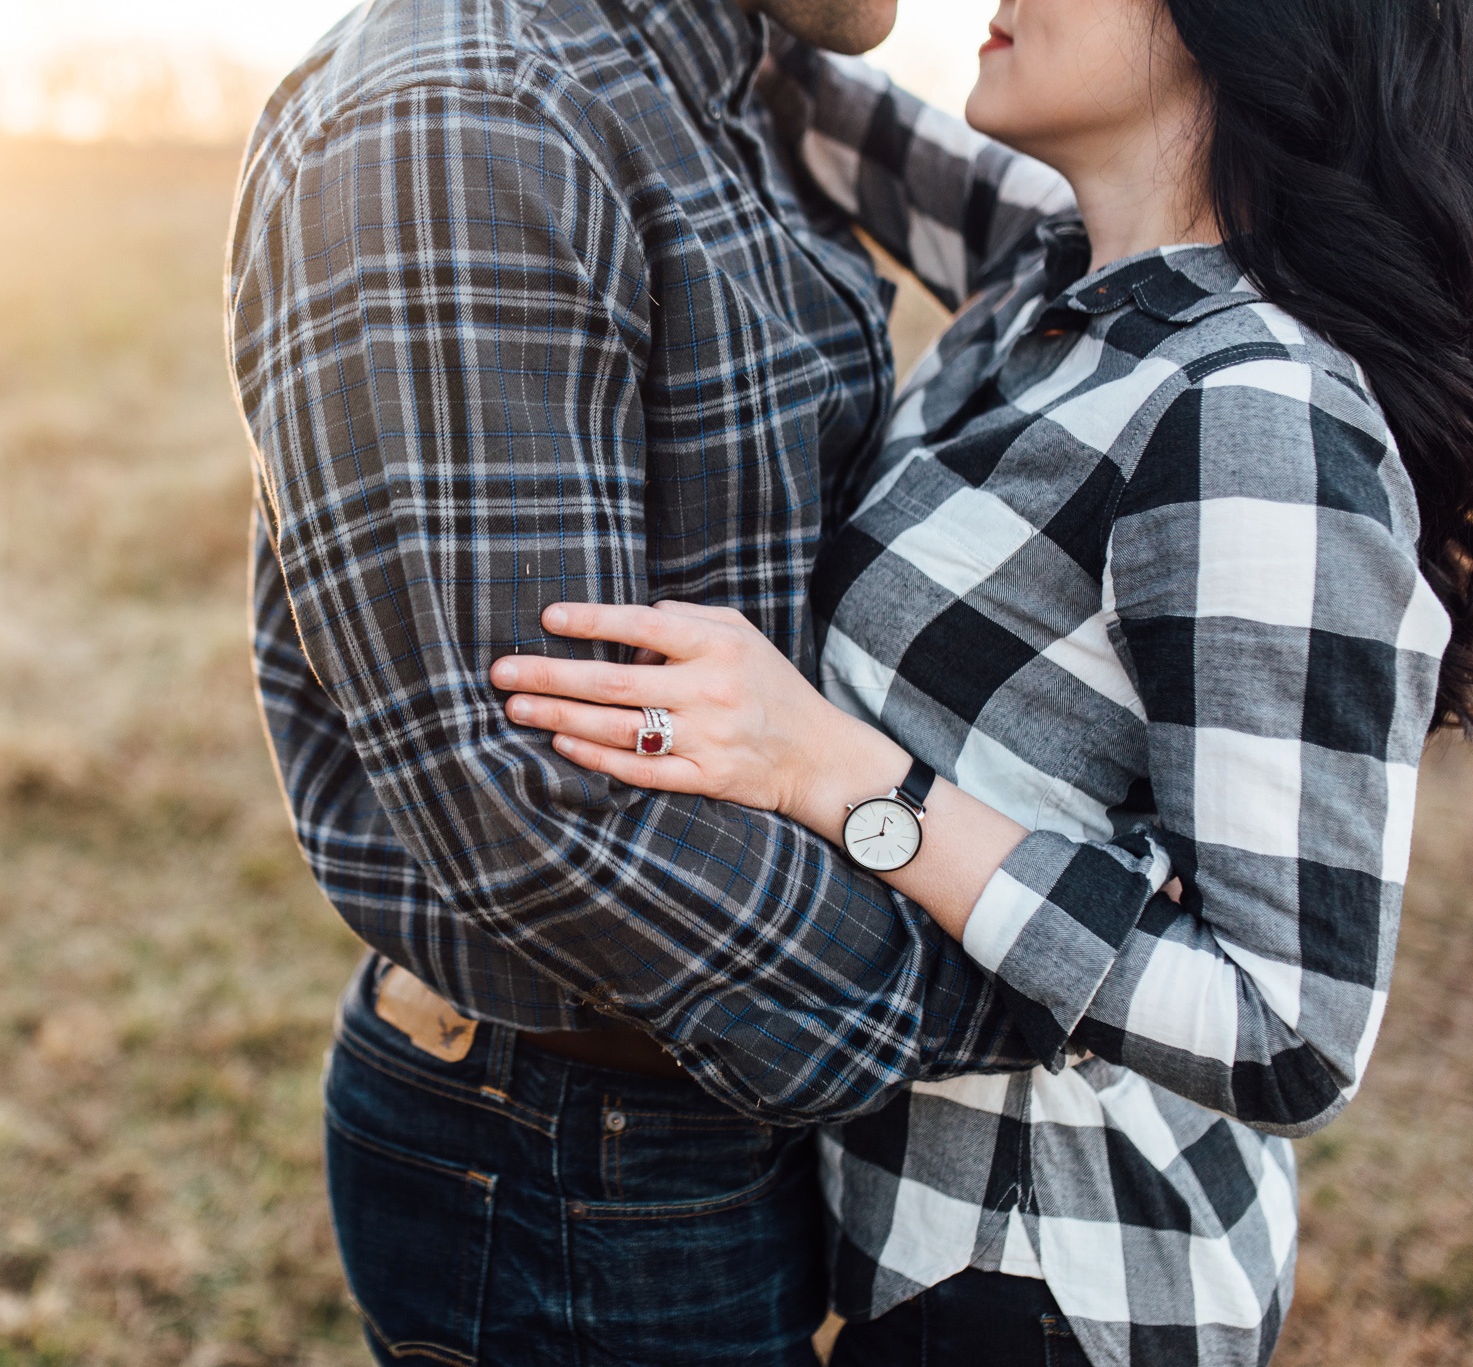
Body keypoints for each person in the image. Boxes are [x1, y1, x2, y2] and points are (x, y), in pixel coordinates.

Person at [493, 0, 1473, 1362]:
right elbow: (815, 84)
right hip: (898, 1236)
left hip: (1049, 1293)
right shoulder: (1054, 275)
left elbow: (1289, 1033)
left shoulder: (1254, 414)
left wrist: (844, 779)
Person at [226, 0, 1075, 1360]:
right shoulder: (471, 114)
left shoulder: (750, 75)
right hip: (582, 1148)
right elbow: (540, 803)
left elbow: (1113, 226)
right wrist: (1025, 976)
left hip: (730, 1069)